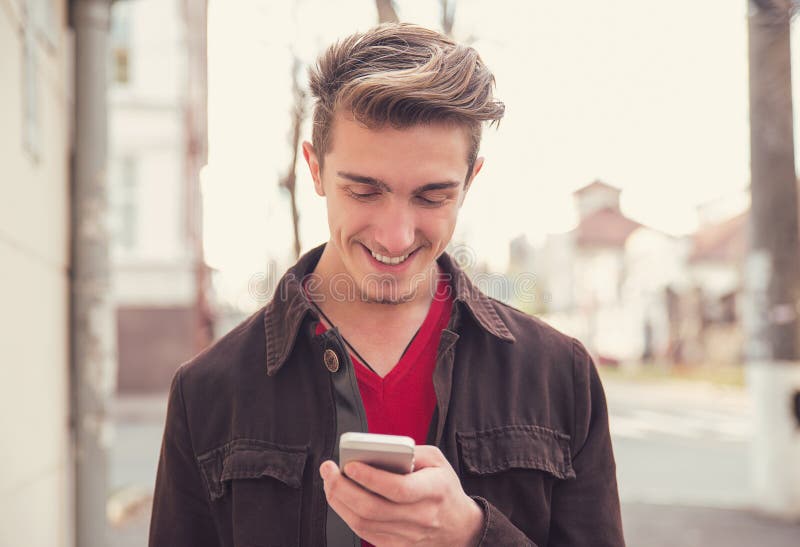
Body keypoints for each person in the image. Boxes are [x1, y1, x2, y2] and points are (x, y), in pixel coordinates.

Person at [149, 22, 625, 547]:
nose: (395, 237)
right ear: (314, 169)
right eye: (364, 191)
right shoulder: (208, 392)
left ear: (470, 183)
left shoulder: (561, 376)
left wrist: (471, 535)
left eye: (431, 197)